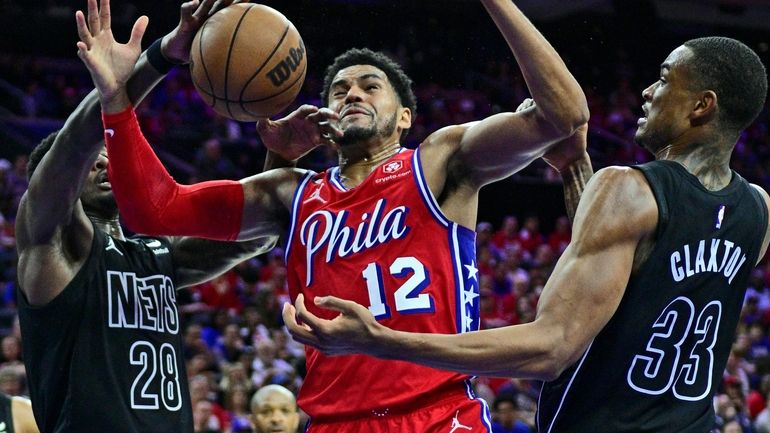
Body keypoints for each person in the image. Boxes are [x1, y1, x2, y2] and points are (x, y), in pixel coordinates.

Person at [84, 1, 591, 431]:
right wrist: (115, 100)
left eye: (371, 87)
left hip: (435, 413)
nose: (353, 94)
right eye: (340, 89)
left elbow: (564, 113)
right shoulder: (291, 192)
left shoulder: (438, 161)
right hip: (333, 421)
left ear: (405, 118)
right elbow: (154, 210)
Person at [282, 37, 770, 432]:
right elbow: (634, 271)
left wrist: (384, 340)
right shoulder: (758, 212)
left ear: (702, 106)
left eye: (664, 78)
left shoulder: (627, 186)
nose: (646, 91)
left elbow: (551, 348)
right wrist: (574, 166)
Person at [15, 0, 277, 432]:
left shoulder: (157, 255)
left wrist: (280, 159)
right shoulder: (54, 242)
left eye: (108, 154)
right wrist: (156, 60)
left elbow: (253, 234)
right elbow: (76, 145)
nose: (103, 162)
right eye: (90, 160)